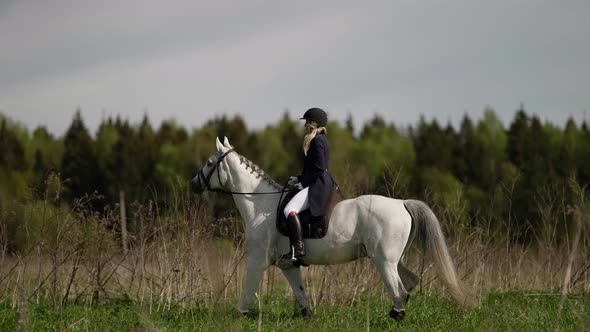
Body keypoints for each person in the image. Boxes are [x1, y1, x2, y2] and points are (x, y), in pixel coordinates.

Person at [281, 107, 335, 264]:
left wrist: (302, 184)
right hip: (318, 181)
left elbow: (318, 169)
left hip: (318, 185)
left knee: (289, 210)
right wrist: (298, 179)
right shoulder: (320, 139)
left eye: (306, 122)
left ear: (313, 123)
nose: (304, 125)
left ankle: (298, 249)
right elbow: (312, 169)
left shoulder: (317, 141)